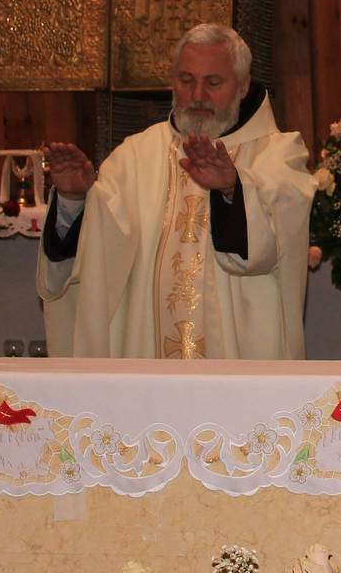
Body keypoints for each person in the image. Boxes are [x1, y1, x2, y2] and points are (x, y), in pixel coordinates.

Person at [37, 24, 314, 359]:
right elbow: (97, 262)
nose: (198, 94)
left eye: (213, 82)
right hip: (146, 362)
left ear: (243, 86)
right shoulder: (135, 156)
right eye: (186, 80)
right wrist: (74, 200)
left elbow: (271, 249)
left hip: (238, 365)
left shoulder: (279, 155)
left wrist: (233, 189)